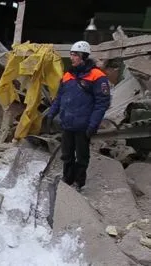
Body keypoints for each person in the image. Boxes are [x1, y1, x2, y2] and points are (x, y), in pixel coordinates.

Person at [46, 41, 111, 191]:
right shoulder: (68, 75)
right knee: (67, 154)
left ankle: (78, 182)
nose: (72, 57)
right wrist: (51, 115)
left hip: (84, 125)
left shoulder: (97, 76)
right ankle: (67, 179)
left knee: (82, 156)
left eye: (75, 55)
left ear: (83, 56)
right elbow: (60, 97)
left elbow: (102, 103)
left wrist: (93, 124)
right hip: (68, 123)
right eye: (71, 54)